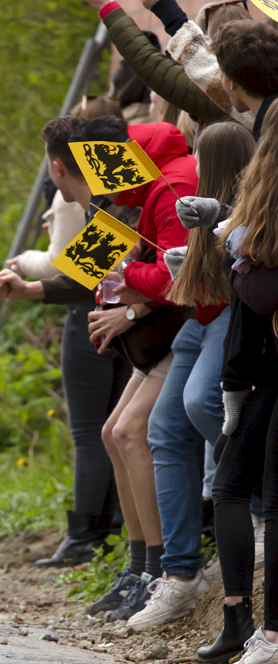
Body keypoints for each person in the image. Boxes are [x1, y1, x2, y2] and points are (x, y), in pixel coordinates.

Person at [122, 122, 256, 634]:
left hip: (224, 317)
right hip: (201, 319)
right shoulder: (192, 192)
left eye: (201, 155)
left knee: (204, 403)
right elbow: (188, 280)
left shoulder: (202, 192)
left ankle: (256, 507)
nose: (192, 163)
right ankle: (179, 574)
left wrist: (137, 279)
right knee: (162, 428)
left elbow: (247, 262)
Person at [0, 109, 134, 570]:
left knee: (91, 431)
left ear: (58, 166)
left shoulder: (105, 200)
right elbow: (86, 270)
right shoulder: (120, 194)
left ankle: (83, 538)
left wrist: (27, 277)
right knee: (121, 429)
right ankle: (115, 531)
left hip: (96, 318)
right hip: (131, 321)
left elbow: (79, 273)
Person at [84, 116, 196, 621]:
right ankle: (138, 567)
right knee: (113, 431)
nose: (99, 195)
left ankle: (159, 570)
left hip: (178, 330)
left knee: (127, 431)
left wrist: (126, 297)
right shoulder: (131, 191)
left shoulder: (167, 185)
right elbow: (92, 275)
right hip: (150, 333)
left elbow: (177, 277)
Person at [193, 103, 278, 664]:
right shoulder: (252, 209)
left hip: (261, 367)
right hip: (257, 368)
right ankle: (237, 619)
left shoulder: (258, 214)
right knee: (229, 488)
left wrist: (233, 243)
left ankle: (268, 634)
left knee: (271, 501)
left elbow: (261, 290)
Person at [78, 0, 253, 132]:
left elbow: (155, 67)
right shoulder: (258, 98)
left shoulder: (233, 98)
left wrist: (108, 7)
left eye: (202, 38)